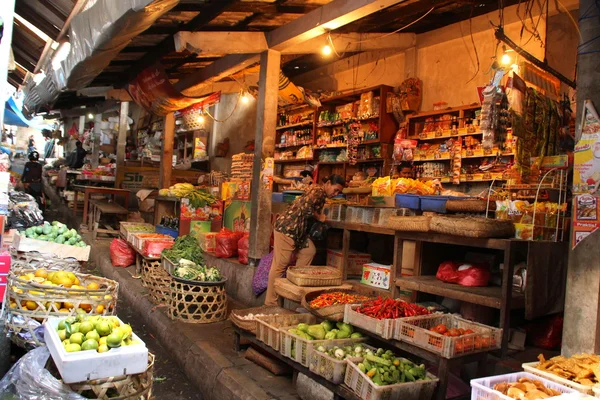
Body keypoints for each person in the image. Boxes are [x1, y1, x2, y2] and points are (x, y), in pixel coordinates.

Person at [264, 174, 345, 306]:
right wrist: (320, 217)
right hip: (288, 229)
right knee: (279, 265)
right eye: (335, 190)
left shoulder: (319, 192)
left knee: (309, 251)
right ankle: (270, 303)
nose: (336, 194)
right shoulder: (318, 191)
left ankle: (295, 282)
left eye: (338, 192)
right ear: (328, 183)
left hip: (298, 232)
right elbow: (305, 207)